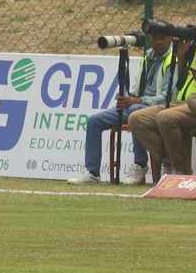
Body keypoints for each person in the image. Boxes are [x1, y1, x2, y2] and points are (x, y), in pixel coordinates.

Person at [127, 2, 196, 176]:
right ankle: (170, 160)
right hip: (182, 102)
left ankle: (179, 171)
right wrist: (182, 57)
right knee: (136, 119)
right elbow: (181, 81)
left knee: (165, 117)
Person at [67, 27, 178, 186]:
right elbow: (135, 88)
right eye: (154, 38)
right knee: (94, 121)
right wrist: (127, 98)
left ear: (170, 39)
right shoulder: (148, 58)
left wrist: (137, 101)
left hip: (157, 108)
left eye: (162, 37)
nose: (158, 42)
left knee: (135, 114)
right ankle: (92, 173)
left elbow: (167, 97)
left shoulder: (173, 60)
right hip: (136, 105)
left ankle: (140, 166)